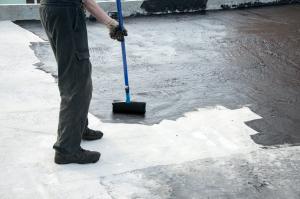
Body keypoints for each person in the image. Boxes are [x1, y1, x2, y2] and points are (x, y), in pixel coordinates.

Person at [39, 0, 127, 164]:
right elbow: (87, 1)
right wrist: (111, 23)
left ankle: (78, 129)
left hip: (51, 9)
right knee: (77, 79)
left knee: (72, 72)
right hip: (66, 13)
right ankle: (67, 149)